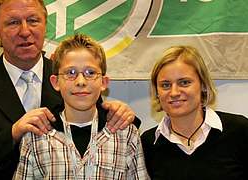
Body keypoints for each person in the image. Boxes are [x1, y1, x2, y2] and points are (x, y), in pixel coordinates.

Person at [0, 0, 139, 179]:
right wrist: (12, 134)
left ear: (45, 25)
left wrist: (123, 115)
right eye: (13, 22)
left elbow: (102, 138)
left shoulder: (70, 79)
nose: (25, 31)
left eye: (33, 20)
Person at [13, 34, 149, 179]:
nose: (81, 81)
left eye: (90, 73)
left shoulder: (126, 134)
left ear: (103, 82)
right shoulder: (36, 136)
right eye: (70, 73)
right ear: (55, 82)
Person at [141, 45, 248, 180]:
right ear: (157, 91)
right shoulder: (148, 143)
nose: (174, 92)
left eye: (184, 82)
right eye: (165, 85)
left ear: (203, 85)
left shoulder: (240, 131)